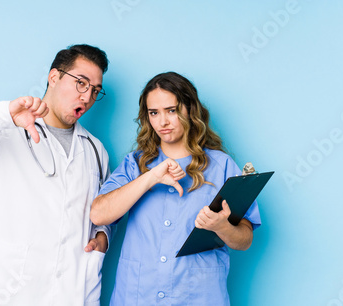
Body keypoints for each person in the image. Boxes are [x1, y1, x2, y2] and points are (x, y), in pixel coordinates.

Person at [0, 44, 111, 306]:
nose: (87, 96)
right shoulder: (5, 130)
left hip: (73, 294)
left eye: (95, 90)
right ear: (54, 77)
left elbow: (101, 210)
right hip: (10, 293)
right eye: (81, 83)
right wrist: (2, 116)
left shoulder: (95, 150)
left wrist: (104, 235)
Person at [90, 72, 261, 305]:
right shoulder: (135, 164)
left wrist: (222, 227)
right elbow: (99, 213)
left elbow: (245, 239)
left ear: (190, 109)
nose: (163, 122)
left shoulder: (222, 166)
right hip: (138, 295)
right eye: (154, 113)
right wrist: (150, 178)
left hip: (198, 295)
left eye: (172, 110)